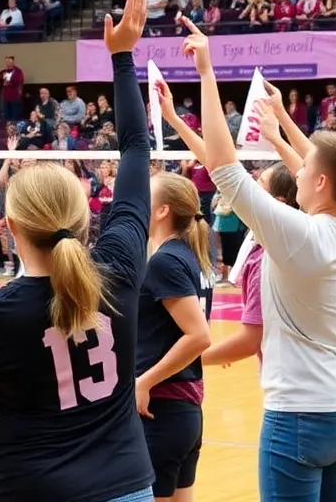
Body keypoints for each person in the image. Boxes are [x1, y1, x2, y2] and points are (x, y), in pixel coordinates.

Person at [0, 0, 157, 502]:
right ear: (86, 215)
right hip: (126, 484)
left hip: (31, 486)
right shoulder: (119, 271)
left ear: (10, 226)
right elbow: (136, 146)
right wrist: (123, 55)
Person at [185, 16, 336, 502]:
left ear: (317, 182)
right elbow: (332, 169)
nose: (298, 163)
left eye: (304, 165)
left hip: (302, 415)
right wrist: (278, 132)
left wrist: (207, 72)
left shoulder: (297, 234)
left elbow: (225, 171)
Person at [142, 80, 214, 502]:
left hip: (163, 408)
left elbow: (200, 336)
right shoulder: (188, 256)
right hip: (183, 410)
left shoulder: (168, 260)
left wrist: (143, 381)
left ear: (163, 210)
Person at [202, 164, 298, 369]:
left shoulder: (267, 257)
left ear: (277, 202)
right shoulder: (291, 240)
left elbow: (250, 341)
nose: (251, 188)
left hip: (293, 387)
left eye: (260, 183)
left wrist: (188, 363)